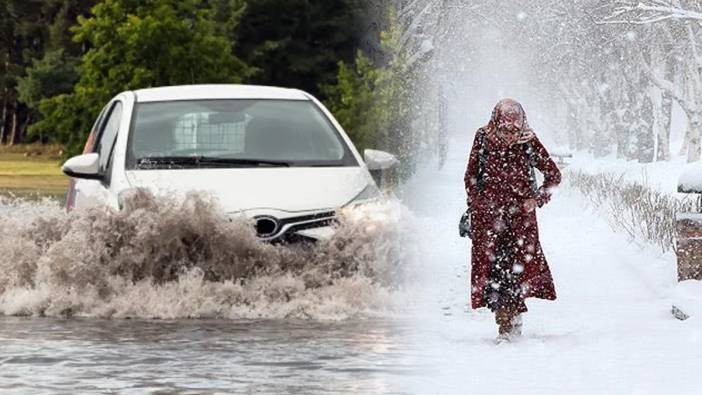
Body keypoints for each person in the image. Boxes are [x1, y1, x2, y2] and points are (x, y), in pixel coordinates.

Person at [464, 98, 561, 343]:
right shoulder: (483, 138)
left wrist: (536, 199)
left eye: (514, 129)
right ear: (496, 121)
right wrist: (478, 204)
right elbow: (471, 176)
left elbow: (553, 175)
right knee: (494, 272)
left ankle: (509, 323)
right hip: (489, 221)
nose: (509, 134)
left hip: (521, 223)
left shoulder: (528, 141)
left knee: (514, 271)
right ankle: (505, 322)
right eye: (505, 128)